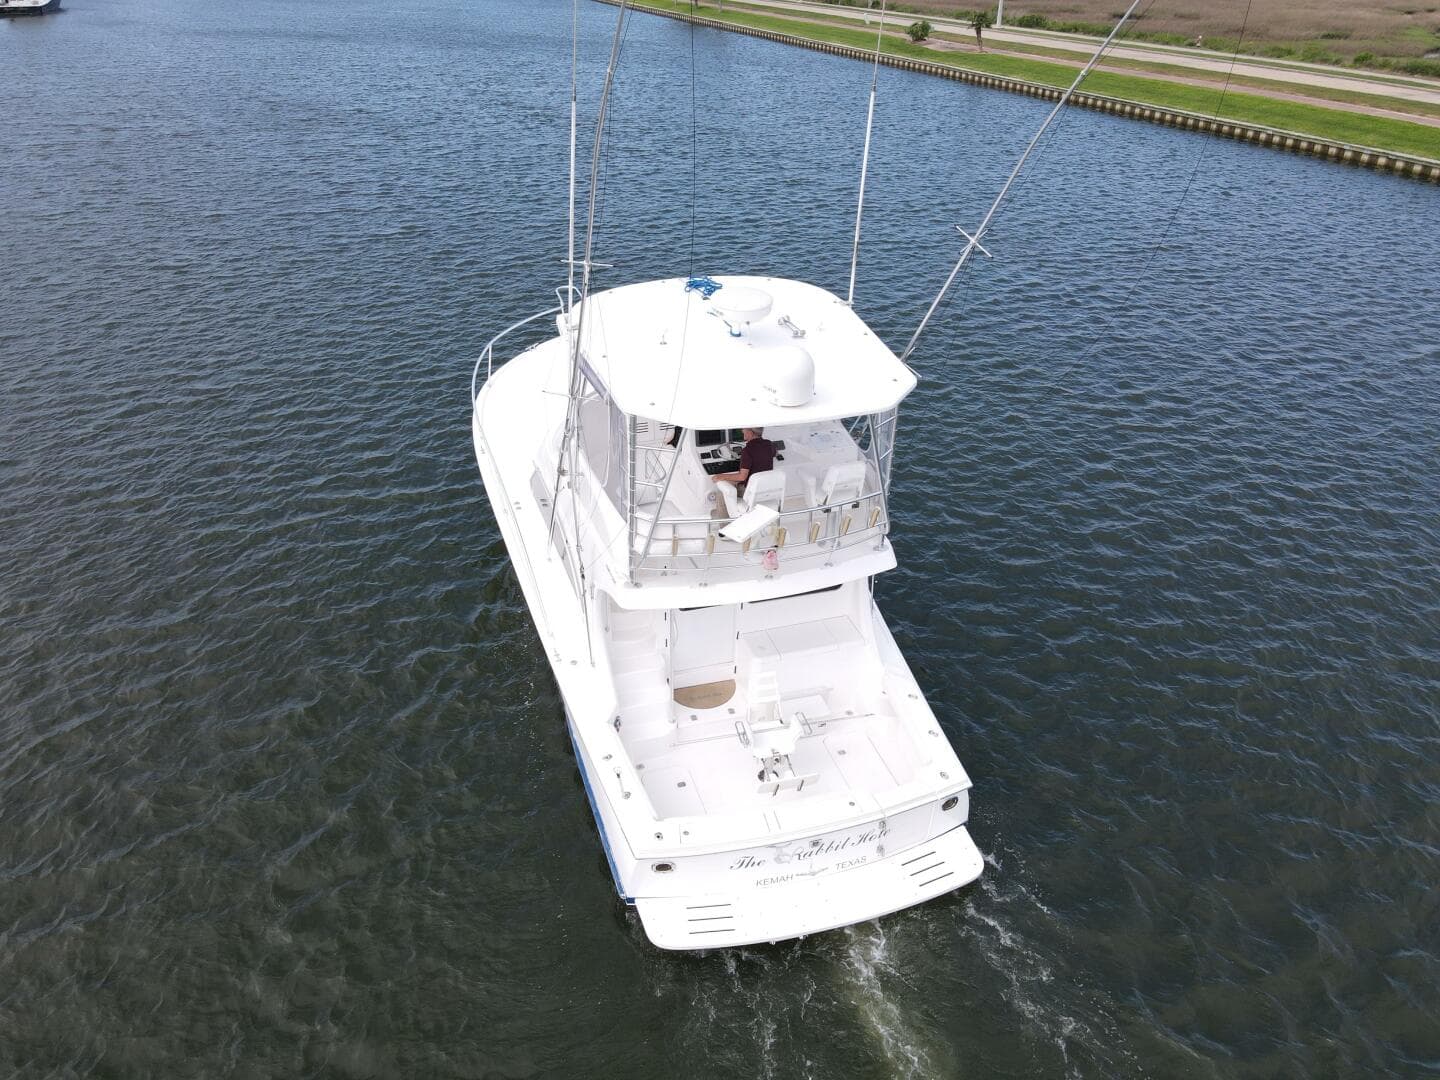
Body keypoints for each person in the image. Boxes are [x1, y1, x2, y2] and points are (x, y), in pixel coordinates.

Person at [712, 427, 775, 511]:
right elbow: (775, 453)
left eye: (744, 429)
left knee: (721, 493)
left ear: (751, 432)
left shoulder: (747, 450)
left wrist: (720, 476)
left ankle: (726, 524)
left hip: (750, 491)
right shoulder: (769, 444)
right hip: (765, 488)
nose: (742, 431)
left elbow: (742, 477)